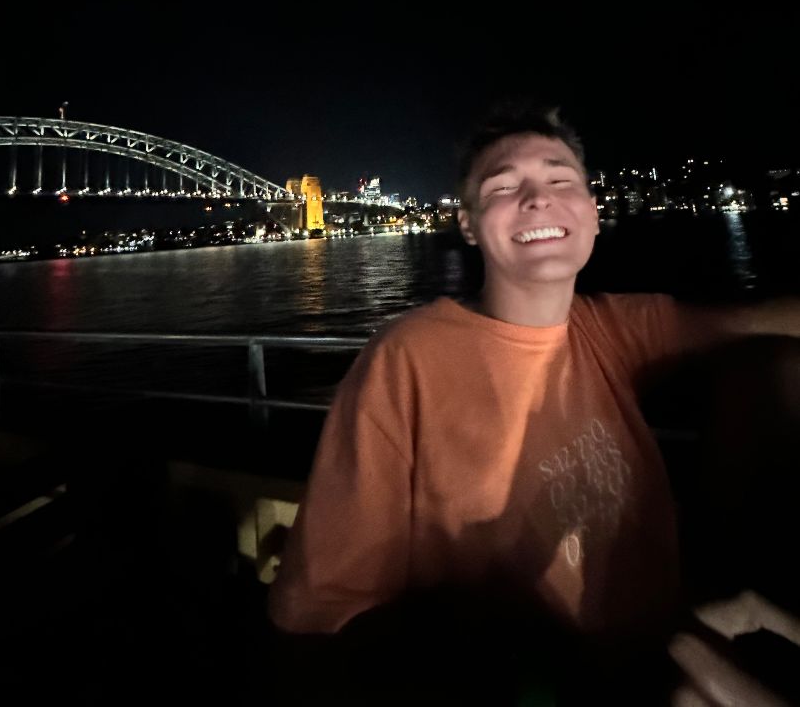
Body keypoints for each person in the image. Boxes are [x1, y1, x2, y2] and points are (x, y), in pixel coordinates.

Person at [267, 102, 799, 704]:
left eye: (559, 179)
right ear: (468, 225)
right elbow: (322, 618)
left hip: (668, 651)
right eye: (502, 186)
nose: (537, 197)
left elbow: (760, 321)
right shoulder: (406, 358)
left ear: (593, 215)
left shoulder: (611, 327)